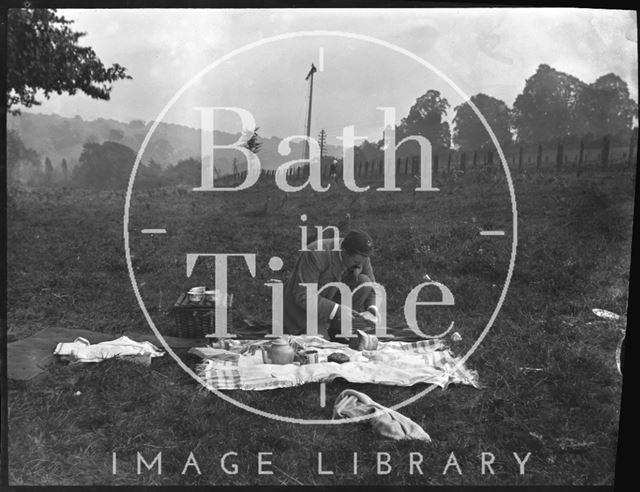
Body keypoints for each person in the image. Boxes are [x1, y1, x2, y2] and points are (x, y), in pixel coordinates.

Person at [282, 229, 380, 340]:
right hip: (304, 312)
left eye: (363, 261)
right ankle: (326, 329)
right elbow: (303, 295)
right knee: (321, 346)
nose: (360, 265)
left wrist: (373, 308)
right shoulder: (314, 254)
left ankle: (337, 328)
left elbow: (372, 287)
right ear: (344, 252)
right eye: (357, 262)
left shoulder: (361, 256)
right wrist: (337, 310)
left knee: (364, 281)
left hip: (330, 300)